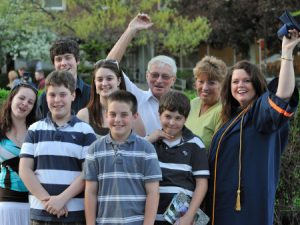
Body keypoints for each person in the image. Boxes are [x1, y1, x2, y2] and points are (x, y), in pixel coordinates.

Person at [207, 30, 300, 225]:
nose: (240, 85)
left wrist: (287, 52)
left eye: (246, 80)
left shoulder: (260, 111)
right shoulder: (231, 118)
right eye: (235, 81)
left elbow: (282, 94)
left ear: (256, 84)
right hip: (220, 206)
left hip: (247, 209)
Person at [19, 71, 97, 225]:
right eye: (52, 95)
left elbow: (87, 173)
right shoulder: (34, 130)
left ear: (73, 96)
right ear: (45, 96)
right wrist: (48, 201)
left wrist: (61, 199)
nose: (57, 100)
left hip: (74, 215)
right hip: (40, 213)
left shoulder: (85, 131)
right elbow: (25, 170)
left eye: (63, 94)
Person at [83, 90, 162, 225]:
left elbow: (153, 193)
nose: (118, 120)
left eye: (124, 115)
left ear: (135, 116)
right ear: (106, 115)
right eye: (112, 114)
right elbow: (90, 192)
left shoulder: (146, 149)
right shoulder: (94, 149)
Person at [146, 90, 209, 225]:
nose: (172, 122)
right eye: (167, 116)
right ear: (159, 115)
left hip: (181, 219)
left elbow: (202, 184)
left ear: (185, 119)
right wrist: (150, 139)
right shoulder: (150, 143)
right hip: (152, 217)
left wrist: (189, 216)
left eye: (178, 118)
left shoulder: (195, 144)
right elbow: (129, 151)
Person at [107, 13, 177, 135]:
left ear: (173, 80)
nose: (159, 80)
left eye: (165, 76)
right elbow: (109, 66)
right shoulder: (136, 98)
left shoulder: (182, 106)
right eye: (155, 75)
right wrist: (131, 30)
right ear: (147, 76)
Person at [0, 82, 38, 225]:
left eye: (30, 102)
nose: (24, 104)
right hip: (6, 203)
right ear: (11, 99)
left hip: (35, 203)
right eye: (21, 98)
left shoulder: (37, 130)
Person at [77, 59, 146, 137]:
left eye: (109, 79)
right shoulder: (83, 115)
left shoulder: (131, 113)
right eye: (100, 79)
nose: (104, 83)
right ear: (95, 83)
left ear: (119, 81)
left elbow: (142, 145)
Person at [36, 37, 91, 119]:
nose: (63, 63)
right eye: (58, 59)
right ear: (53, 64)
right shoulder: (45, 97)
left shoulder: (91, 94)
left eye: (68, 57)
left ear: (77, 60)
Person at [185, 56, 227, 149]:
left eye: (211, 83)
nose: (205, 88)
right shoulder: (193, 103)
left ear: (222, 85)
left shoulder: (223, 111)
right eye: (201, 81)